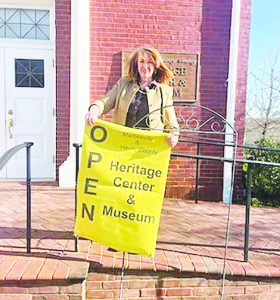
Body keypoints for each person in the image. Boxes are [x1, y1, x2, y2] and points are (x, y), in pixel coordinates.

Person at [85, 47, 179, 147]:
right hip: (122, 145)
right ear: (136, 65)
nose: (145, 66)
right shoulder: (123, 84)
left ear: (156, 67)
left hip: (149, 149)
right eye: (141, 61)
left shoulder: (164, 91)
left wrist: (174, 136)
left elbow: (172, 123)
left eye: (150, 62)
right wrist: (94, 110)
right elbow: (104, 102)